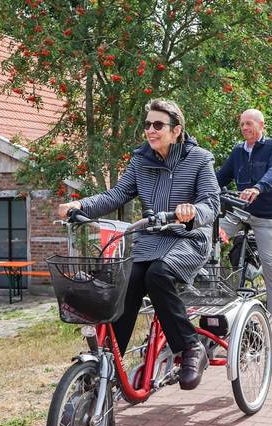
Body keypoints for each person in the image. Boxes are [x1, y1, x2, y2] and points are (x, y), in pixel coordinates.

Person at [58, 99, 220, 390]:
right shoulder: (141, 161)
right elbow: (116, 195)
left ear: (176, 130)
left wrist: (193, 212)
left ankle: (190, 348)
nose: (150, 130)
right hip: (150, 239)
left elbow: (211, 203)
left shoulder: (199, 159)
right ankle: (109, 363)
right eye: (147, 124)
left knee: (157, 276)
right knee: (128, 281)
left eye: (158, 125)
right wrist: (80, 204)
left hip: (188, 239)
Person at [216, 108, 272, 343]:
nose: (244, 128)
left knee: (270, 263)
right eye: (242, 124)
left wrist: (258, 188)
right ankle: (216, 301)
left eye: (249, 124)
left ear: (261, 125)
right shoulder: (238, 150)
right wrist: (203, 188)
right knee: (208, 240)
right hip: (239, 212)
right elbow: (222, 176)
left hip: (267, 215)